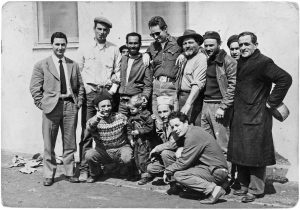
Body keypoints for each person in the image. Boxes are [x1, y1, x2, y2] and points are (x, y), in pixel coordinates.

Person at [228, 31, 292, 203]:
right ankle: (243, 186)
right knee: (241, 152)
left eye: (246, 44)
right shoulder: (241, 61)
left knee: (255, 153)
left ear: (255, 45)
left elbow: (285, 78)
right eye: (240, 45)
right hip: (240, 114)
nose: (242, 48)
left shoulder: (263, 62)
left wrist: (272, 101)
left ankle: (256, 190)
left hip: (257, 116)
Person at [29, 32, 84, 186]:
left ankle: (69, 172)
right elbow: (34, 88)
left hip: (69, 106)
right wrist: (42, 104)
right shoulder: (42, 65)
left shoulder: (73, 64)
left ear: (66, 45)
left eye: (63, 44)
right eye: (57, 44)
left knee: (70, 142)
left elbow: (80, 86)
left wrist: (78, 103)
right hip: (51, 107)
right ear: (51, 45)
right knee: (49, 143)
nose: (60, 47)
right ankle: (48, 173)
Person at [77, 16, 121, 181]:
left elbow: (118, 73)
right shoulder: (84, 48)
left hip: (107, 95)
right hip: (91, 93)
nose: (102, 32)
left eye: (105, 30)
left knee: (106, 131)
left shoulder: (114, 49)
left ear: (109, 31)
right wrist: (88, 89)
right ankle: (83, 168)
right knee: (88, 131)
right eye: (99, 29)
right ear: (94, 29)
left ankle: (102, 166)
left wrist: (112, 92)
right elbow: (79, 73)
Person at [163, 112, 228, 204]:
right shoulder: (192, 131)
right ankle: (184, 187)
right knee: (167, 154)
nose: (175, 129)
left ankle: (214, 190)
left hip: (217, 171)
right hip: (208, 168)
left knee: (179, 175)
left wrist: (167, 171)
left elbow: (184, 162)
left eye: (177, 125)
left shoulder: (192, 135)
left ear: (186, 122)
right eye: (173, 127)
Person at [84, 89, 133, 183]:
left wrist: (131, 138)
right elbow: (90, 128)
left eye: (108, 105)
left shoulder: (121, 117)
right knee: (89, 155)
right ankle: (95, 174)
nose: (106, 108)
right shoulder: (93, 120)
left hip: (120, 148)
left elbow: (129, 129)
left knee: (127, 157)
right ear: (96, 107)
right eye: (103, 106)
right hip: (103, 151)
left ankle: (125, 170)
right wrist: (97, 119)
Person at [201, 31, 237, 161]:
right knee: (207, 143)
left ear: (219, 44)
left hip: (219, 106)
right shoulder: (207, 59)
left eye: (211, 45)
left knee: (223, 145)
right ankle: (213, 174)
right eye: (206, 45)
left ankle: (228, 177)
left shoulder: (228, 61)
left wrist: (223, 106)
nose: (208, 48)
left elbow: (233, 86)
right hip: (206, 104)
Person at [143, 16, 184, 121]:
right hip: (157, 86)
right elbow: (148, 52)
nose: (155, 37)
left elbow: (197, 49)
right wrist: (146, 54)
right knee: (158, 120)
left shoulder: (178, 42)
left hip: (171, 86)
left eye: (157, 33)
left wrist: (184, 54)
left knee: (173, 118)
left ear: (165, 28)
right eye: (152, 35)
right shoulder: (152, 46)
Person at [138, 96, 182, 185]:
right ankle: (169, 174)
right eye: (160, 112)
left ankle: (175, 182)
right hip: (170, 157)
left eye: (165, 111)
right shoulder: (163, 124)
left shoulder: (176, 123)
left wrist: (157, 149)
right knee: (151, 168)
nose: (162, 115)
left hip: (181, 156)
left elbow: (173, 144)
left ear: (172, 110)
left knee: (165, 153)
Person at [176, 29, 207, 125]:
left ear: (198, 43)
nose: (187, 45)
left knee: (194, 128)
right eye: (185, 43)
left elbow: (197, 84)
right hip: (181, 97)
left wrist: (188, 104)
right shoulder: (186, 57)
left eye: (190, 42)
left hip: (193, 99)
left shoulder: (201, 58)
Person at [118, 32, 152, 116]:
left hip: (136, 101)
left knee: (136, 126)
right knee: (121, 125)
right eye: (130, 43)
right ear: (126, 44)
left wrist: (145, 96)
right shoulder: (122, 59)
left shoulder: (145, 61)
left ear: (140, 44)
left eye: (135, 43)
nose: (133, 46)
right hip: (122, 101)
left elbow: (148, 84)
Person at [127, 94, 155, 182]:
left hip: (144, 141)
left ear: (139, 108)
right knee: (136, 157)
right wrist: (130, 138)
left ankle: (146, 175)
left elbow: (150, 127)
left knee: (143, 158)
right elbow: (129, 128)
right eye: (130, 109)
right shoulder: (131, 117)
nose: (130, 111)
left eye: (132, 109)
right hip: (136, 141)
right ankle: (138, 173)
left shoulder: (146, 116)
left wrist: (139, 131)